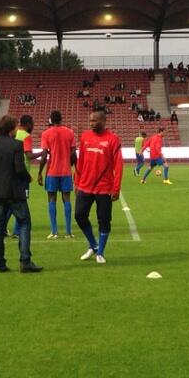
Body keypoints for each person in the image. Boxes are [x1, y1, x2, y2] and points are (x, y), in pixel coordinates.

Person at [0, 115, 41, 273]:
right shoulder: (16, 145)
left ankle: (0, 263)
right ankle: (25, 261)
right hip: (14, 193)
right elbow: (19, 169)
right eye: (15, 127)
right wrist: (28, 178)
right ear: (11, 128)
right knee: (24, 223)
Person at [74, 108, 123, 264]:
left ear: (103, 121)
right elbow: (80, 161)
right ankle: (93, 245)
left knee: (104, 220)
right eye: (90, 120)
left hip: (104, 188)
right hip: (85, 186)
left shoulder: (113, 139)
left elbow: (119, 165)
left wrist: (116, 188)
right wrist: (77, 182)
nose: (91, 123)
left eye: (94, 120)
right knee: (79, 216)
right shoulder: (85, 137)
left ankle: (100, 252)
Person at [37, 110, 76, 240]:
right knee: (67, 199)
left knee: (52, 199)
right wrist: (74, 167)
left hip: (52, 172)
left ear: (50, 120)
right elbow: (73, 154)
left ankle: (54, 232)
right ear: (61, 119)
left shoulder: (46, 134)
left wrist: (39, 173)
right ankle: (68, 232)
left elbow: (43, 155)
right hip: (65, 171)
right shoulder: (69, 132)